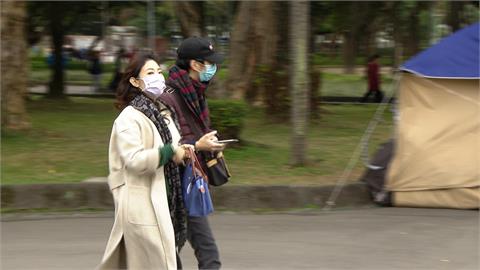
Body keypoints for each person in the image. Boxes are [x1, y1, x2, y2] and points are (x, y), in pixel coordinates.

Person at [98, 51, 194, 270]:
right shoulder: (129, 118)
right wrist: (170, 152)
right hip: (142, 206)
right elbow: (134, 159)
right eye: (150, 72)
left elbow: (175, 147)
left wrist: (190, 149)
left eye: (159, 72)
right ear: (134, 81)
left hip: (166, 203)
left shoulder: (161, 112)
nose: (158, 77)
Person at [160, 37, 225, 270]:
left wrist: (209, 143)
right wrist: (199, 145)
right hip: (172, 186)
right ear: (196, 65)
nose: (214, 68)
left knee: (203, 254)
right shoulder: (169, 96)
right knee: (171, 255)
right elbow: (168, 142)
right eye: (210, 63)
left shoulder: (196, 92)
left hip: (191, 180)